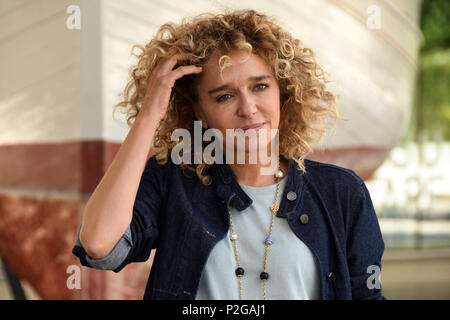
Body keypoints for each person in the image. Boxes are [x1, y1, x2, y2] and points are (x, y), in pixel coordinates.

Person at [72, 9, 386, 300]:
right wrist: (149, 114)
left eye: (260, 87)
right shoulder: (172, 180)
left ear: (283, 91)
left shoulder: (342, 192)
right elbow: (100, 245)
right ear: (200, 112)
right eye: (224, 96)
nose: (248, 109)